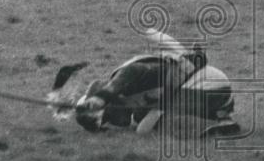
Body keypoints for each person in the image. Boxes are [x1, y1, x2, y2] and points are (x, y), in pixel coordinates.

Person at [47, 30, 239, 137]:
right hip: (216, 95)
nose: (118, 123)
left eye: (109, 118)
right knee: (156, 116)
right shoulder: (134, 105)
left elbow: (123, 82)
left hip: (208, 85)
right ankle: (222, 120)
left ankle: (219, 123)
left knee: (166, 116)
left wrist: (100, 98)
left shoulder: (127, 76)